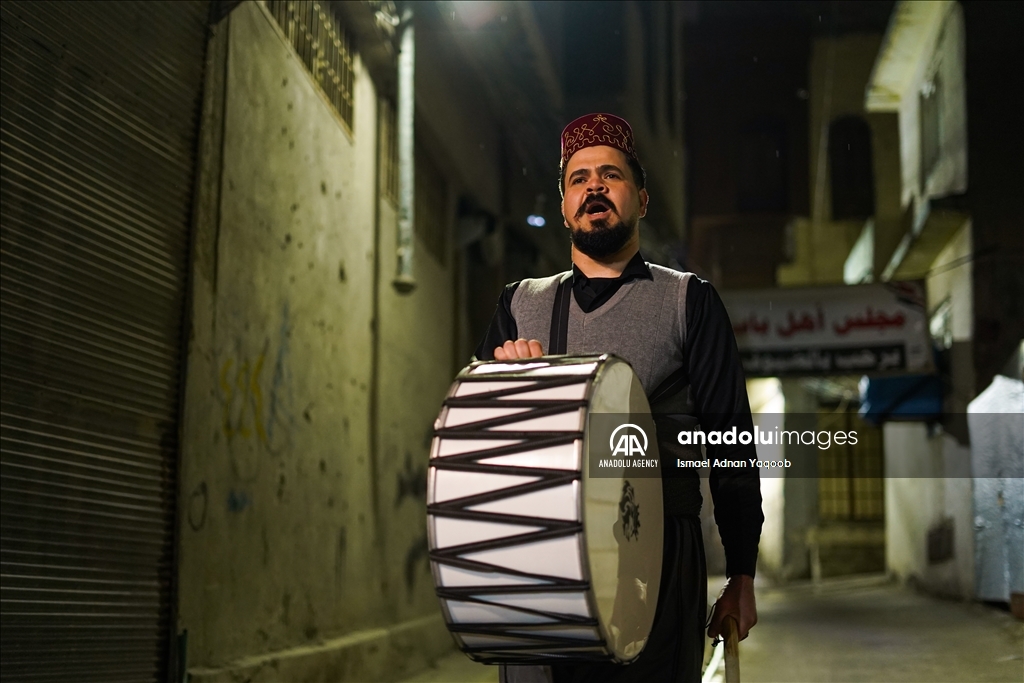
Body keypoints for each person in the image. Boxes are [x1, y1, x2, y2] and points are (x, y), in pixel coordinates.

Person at [474, 113, 764, 683]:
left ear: (642, 198)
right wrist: (499, 385)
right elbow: (480, 445)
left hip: (655, 557)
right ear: (564, 205)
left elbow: (732, 445)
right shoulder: (519, 304)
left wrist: (742, 576)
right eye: (578, 179)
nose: (594, 187)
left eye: (611, 174)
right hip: (540, 559)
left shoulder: (689, 301)